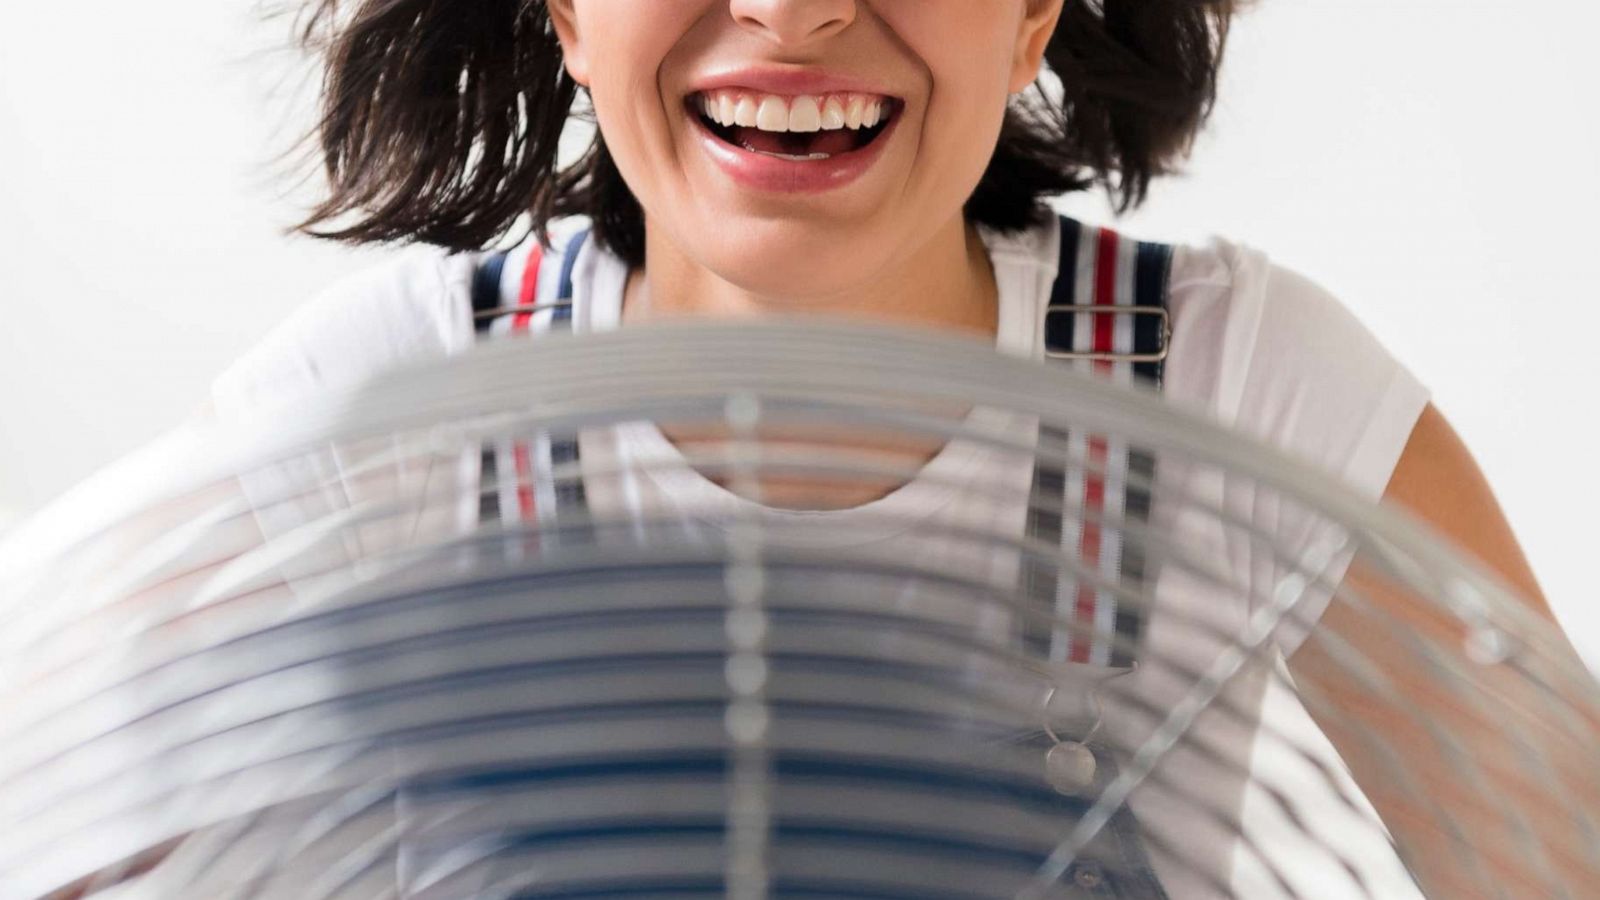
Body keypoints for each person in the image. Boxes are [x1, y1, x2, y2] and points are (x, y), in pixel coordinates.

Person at [204, 1, 1595, 897]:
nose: (793, 9)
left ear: (1033, 14)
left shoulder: (1239, 388)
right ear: (566, 11)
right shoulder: (379, 414)